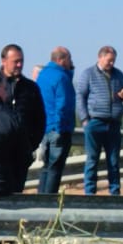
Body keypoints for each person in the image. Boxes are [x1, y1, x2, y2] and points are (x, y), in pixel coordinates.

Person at [76, 45, 123, 197]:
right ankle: (90, 193)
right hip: (95, 122)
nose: (111, 64)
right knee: (92, 160)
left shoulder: (119, 75)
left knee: (113, 161)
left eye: (113, 61)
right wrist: (85, 119)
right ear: (100, 58)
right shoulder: (88, 74)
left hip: (113, 123)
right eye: (109, 60)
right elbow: (80, 96)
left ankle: (114, 192)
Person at [35, 46, 76, 194]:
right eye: (69, 59)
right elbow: (63, 104)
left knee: (46, 167)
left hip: (45, 127)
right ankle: (49, 202)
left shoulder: (43, 74)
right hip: (58, 128)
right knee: (55, 169)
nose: (71, 62)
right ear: (61, 59)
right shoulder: (61, 77)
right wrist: (60, 127)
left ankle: (40, 200)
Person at [0, 45, 45, 158]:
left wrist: (31, 145)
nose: (19, 65)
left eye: (21, 61)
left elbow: (40, 119)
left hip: (22, 151)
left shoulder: (30, 87)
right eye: (16, 61)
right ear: (4, 61)